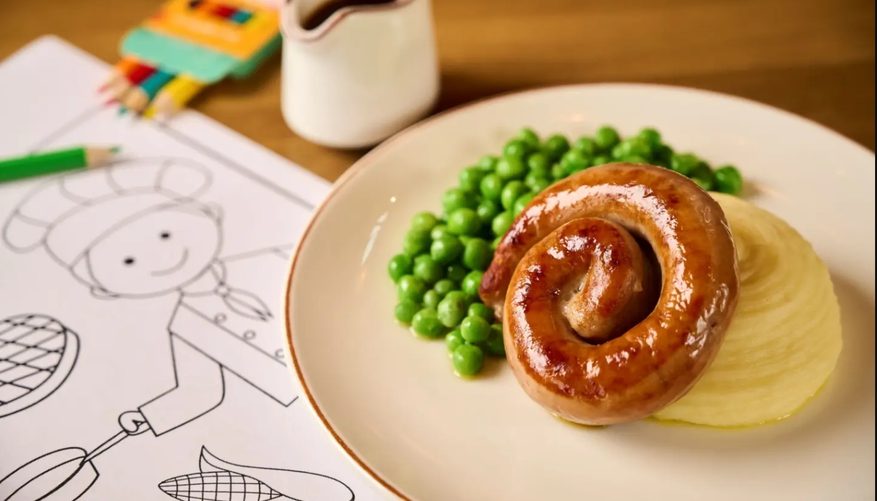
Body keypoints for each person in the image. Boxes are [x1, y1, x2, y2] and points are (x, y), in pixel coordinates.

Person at [3, 158, 297, 436]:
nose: (160, 257)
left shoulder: (283, 260)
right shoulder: (186, 325)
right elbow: (199, 388)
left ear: (210, 212)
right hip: (308, 408)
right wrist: (149, 417)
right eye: (128, 261)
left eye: (165, 235)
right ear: (103, 289)